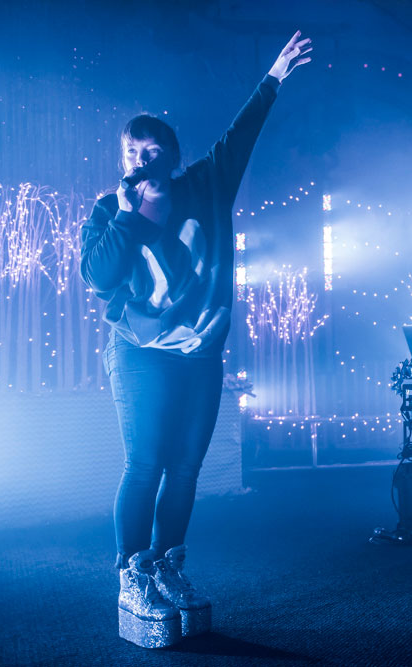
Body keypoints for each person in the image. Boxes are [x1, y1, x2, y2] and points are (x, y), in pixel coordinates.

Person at [80, 31, 312, 648]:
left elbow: (240, 137)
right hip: (138, 354)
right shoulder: (109, 209)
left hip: (201, 354)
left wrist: (273, 79)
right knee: (146, 462)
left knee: (185, 469)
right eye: (132, 150)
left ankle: (165, 566)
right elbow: (97, 276)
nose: (140, 158)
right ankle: (131, 573)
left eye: (151, 149)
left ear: (172, 157)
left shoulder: (206, 186)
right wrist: (129, 214)